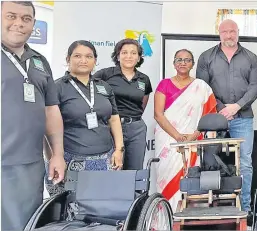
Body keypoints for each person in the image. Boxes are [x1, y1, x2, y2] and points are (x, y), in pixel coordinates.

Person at [1, 2, 65, 230]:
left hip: (31, 164)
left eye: (26, 19)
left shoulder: (39, 61)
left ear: (33, 24)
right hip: (2, 162)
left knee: (28, 223)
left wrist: (57, 154)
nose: (18, 23)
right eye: (11, 16)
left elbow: (51, 110)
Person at [196, 19, 257, 212]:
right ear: (219, 33)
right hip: (215, 121)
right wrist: (223, 109)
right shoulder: (206, 57)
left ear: (238, 32)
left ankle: (245, 208)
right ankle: (214, 206)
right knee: (211, 162)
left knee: (245, 164)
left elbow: (255, 88)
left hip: (243, 118)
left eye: (232, 31)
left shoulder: (251, 58)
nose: (229, 35)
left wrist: (236, 107)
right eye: (225, 32)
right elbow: (203, 87)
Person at [45, 40, 125, 196]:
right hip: (71, 162)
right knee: (71, 213)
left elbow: (114, 119)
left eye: (89, 56)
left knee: (103, 208)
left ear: (95, 61)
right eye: (77, 56)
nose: (83, 60)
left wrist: (118, 150)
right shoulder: (57, 88)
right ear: (68, 59)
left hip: (105, 160)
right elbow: (47, 127)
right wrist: (53, 158)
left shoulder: (103, 87)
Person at [154, 49, 217, 212]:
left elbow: (209, 114)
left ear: (192, 64)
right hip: (168, 140)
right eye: (179, 60)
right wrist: (178, 137)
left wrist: (194, 135)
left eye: (187, 60)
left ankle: (187, 216)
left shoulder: (201, 87)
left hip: (193, 139)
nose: (183, 63)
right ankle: (164, 217)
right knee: (166, 176)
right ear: (174, 63)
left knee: (191, 176)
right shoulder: (164, 84)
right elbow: (158, 114)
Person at [93, 38, 153, 170]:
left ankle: (133, 192)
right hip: (111, 127)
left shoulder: (144, 79)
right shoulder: (104, 74)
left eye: (133, 53)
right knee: (113, 168)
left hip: (136, 128)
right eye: (124, 52)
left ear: (138, 57)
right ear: (118, 56)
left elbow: (142, 104)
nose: (129, 56)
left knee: (134, 170)